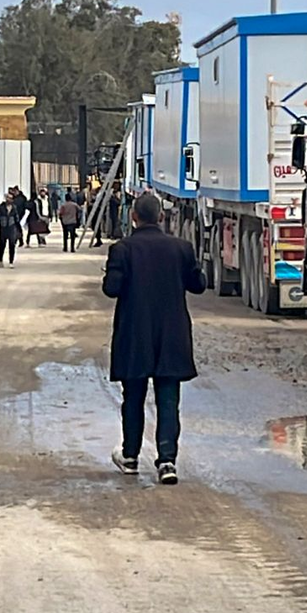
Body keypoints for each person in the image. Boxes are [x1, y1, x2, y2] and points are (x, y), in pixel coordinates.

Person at [102, 192, 207, 485]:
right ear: (161, 217)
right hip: (172, 334)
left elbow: (112, 289)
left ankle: (131, 456)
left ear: (134, 217)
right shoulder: (181, 248)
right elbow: (198, 286)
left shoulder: (122, 249)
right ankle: (167, 461)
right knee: (168, 399)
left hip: (134, 334)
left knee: (133, 397)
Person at [0, 189, 23, 268]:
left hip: (12, 228)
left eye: (10, 198)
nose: (9, 200)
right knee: (2, 245)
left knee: (12, 245)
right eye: (8, 198)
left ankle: (11, 262)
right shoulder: (1, 207)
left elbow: (17, 219)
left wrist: (19, 230)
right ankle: (0, 261)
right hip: (3, 228)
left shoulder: (14, 208)